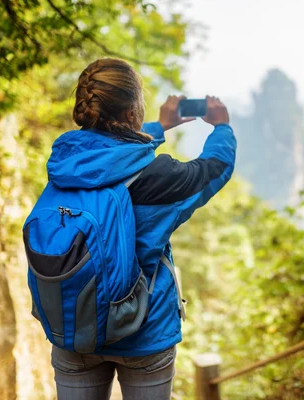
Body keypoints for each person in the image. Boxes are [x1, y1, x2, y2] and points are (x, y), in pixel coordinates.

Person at [47, 58, 236, 399]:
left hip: (74, 325)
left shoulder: (63, 163)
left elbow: (109, 153)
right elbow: (215, 168)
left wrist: (159, 127)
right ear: (133, 113)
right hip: (143, 333)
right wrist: (221, 126)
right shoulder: (159, 178)